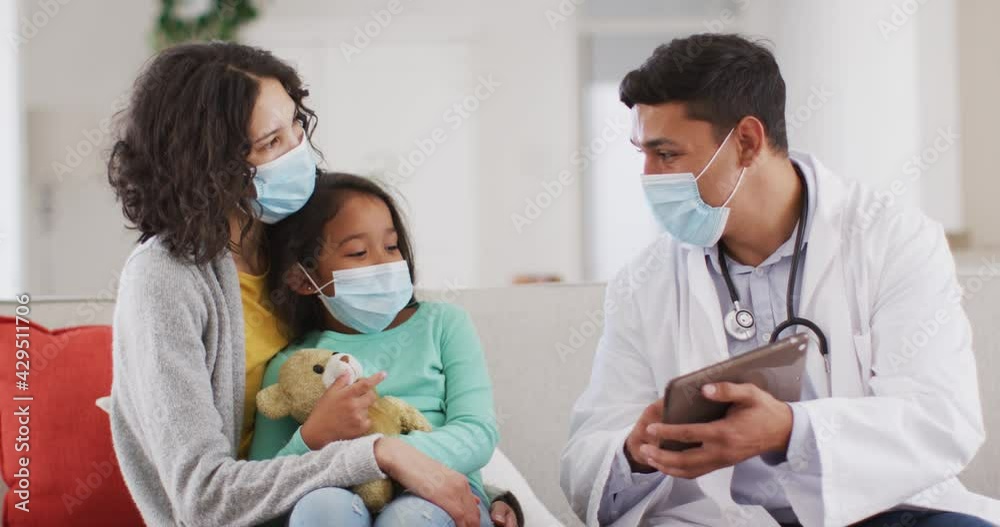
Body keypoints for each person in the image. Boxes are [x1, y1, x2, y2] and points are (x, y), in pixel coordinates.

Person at [560, 34, 1000, 527]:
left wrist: (791, 431)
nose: (649, 177)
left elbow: (941, 418)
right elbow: (585, 459)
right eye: (642, 154)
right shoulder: (643, 283)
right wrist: (634, 452)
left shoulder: (893, 240)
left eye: (666, 155)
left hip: (884, 511)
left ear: (746, 142)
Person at [107, 41, 518, 527]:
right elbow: (204, 499)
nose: (298, 152)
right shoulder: (164, 280)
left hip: (348, 497)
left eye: (296, 127)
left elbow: (405, 403)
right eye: (271, 143)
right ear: (209, 167)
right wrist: (378, 453)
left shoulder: (291, 235)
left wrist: (476, 491)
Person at [249, 171, 505, 527]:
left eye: (391, 246)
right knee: (322, 509)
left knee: (409, 518)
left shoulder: (444, 324)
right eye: (358, 252)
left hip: (440, 497)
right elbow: (262, 488)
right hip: (336, 501)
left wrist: (388, 456)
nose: (385, 264)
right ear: (301, 279)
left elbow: (477, 433)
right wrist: (310, 439)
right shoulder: (292, 366)